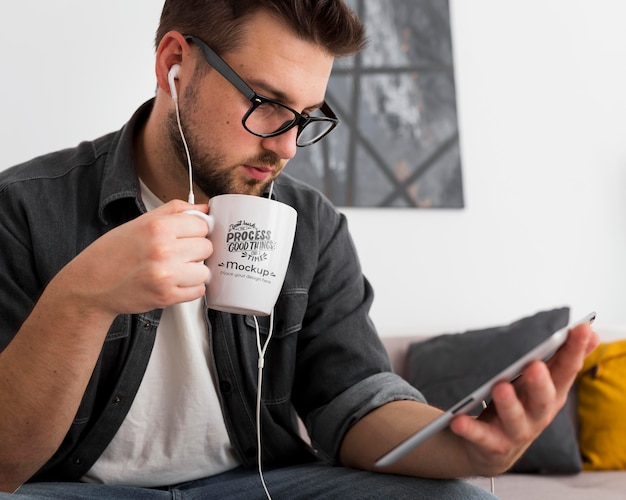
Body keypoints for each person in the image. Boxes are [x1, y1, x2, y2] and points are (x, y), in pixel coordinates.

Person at [0, 1, 597, 498]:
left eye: (306, 117)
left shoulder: (310, 224)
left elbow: (353, 400)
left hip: (257, 486)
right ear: (174, 64)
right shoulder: (24, 208)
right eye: (266, 104)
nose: (287, 147)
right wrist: (80, 300)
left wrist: (460, 442)